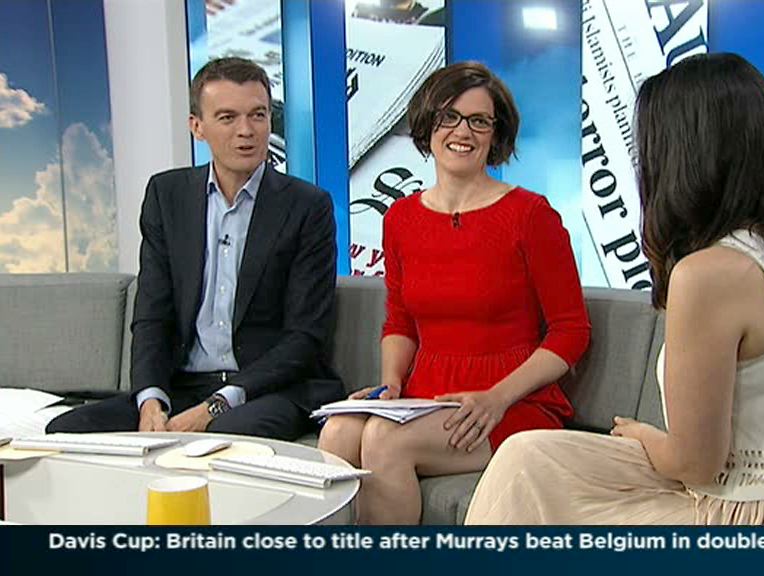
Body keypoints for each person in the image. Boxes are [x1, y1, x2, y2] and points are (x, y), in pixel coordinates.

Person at [465, 53, 764, 525]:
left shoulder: (710, 274)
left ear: (682, 157)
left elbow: (696, 463)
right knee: (529, 458)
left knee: (529, 485)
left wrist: (644, 436)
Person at [317, 61, 590, 524]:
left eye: (479, 120)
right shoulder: (401, 218)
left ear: (496, 134)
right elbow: (400, 321)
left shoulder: (530, 215)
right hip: (424, 396)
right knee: (339, 432)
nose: (463, 131)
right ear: (428, 125)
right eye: (449, 116)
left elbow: (571, 331)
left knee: (384, 440)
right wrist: (391, 385)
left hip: (511, 401)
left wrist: (496, 398)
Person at [47, 57, 342, 440]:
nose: (246, 131)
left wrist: (215, 406)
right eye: (227, 117)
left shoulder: (307, 206)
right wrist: (150, 399)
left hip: (268, 389)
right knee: (66, 430)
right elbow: (152, 315)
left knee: (227, 433)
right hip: (184, 385)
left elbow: (304, 336)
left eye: (258, 115)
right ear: (197, 127)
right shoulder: (167, 195)